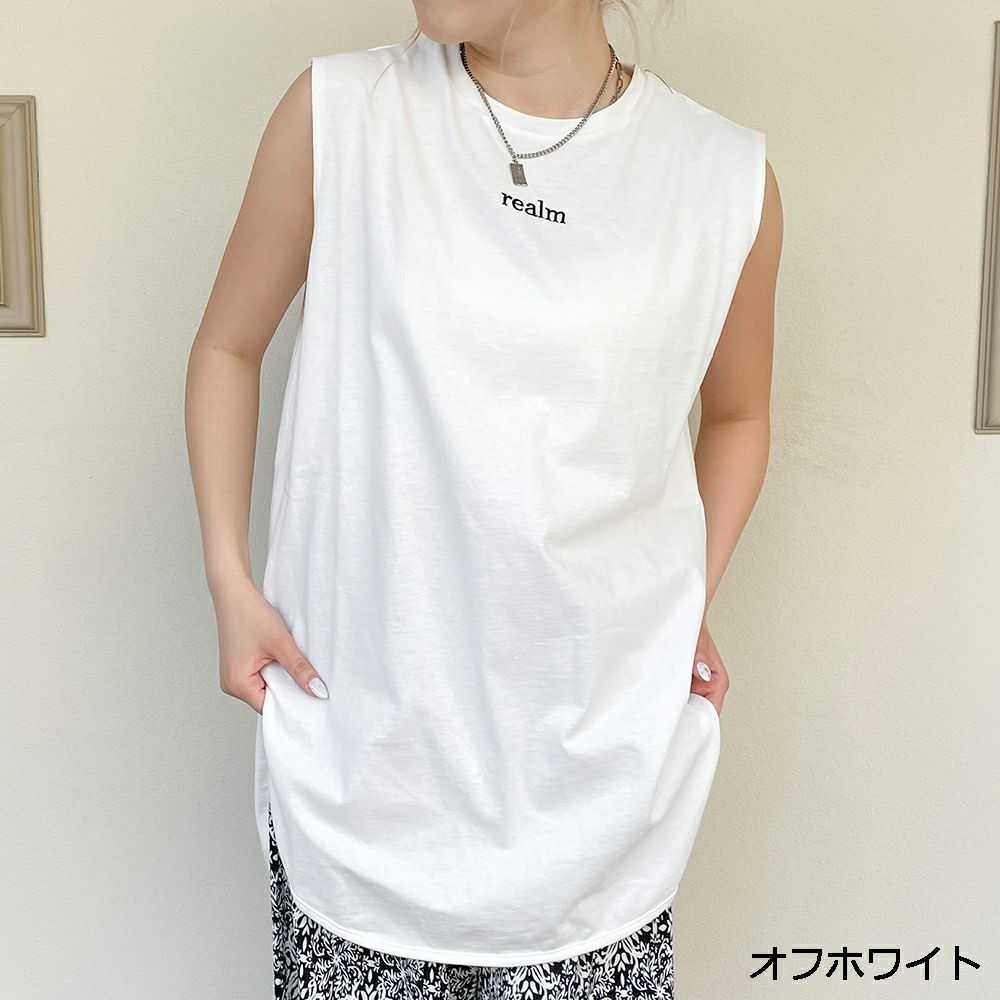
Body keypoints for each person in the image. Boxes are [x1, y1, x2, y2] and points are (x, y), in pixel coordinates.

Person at [185, 1, 782, 996]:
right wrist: (227, 579)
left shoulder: (723, 175)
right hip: (366, 754)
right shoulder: (343, 113)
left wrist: (688, 597)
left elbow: (739, 415)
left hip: (595, 766)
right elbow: (226, 347)